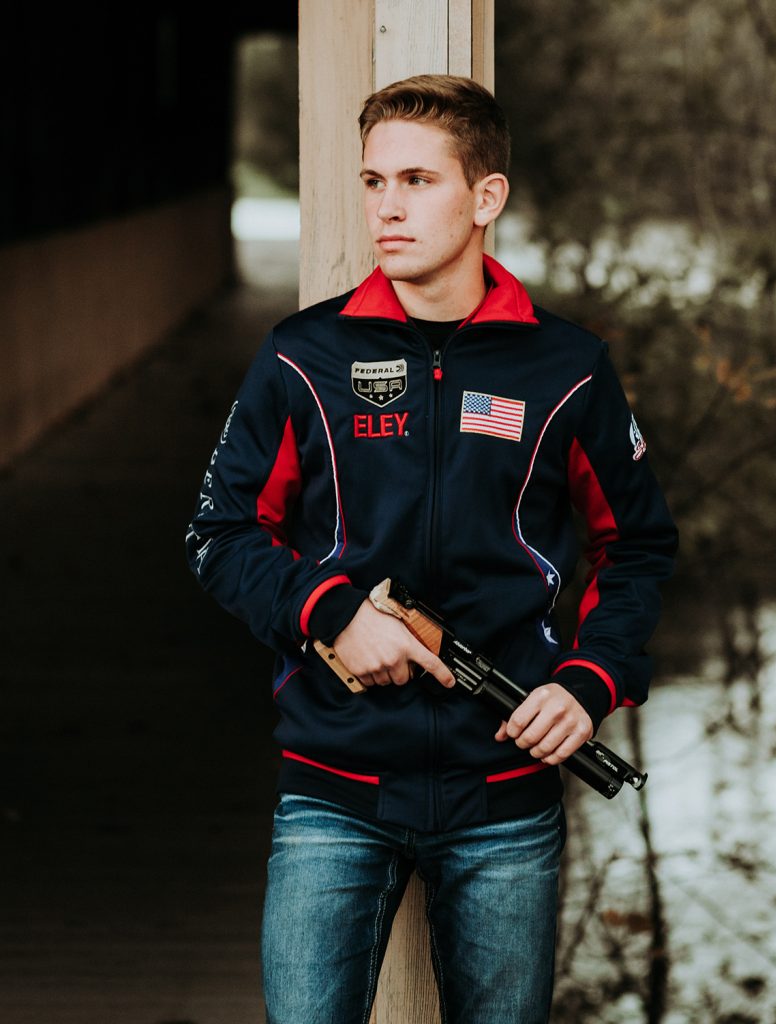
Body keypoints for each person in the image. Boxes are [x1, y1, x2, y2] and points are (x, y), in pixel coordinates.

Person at [185, 74, 677, 1024]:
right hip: (331, 790)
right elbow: (221, 532)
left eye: (417, 180)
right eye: (374, 182)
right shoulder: (303, 358)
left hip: (504, 801)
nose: (388, 208)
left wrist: (591, 679)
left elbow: (639, 548)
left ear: (486, 196)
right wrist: (327, 613)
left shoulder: (567, 370)